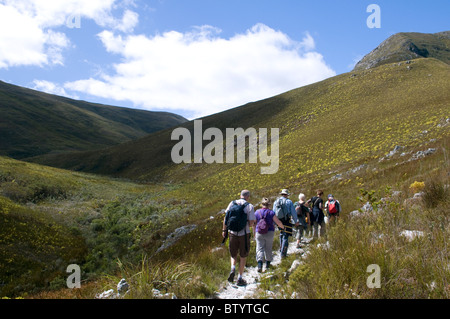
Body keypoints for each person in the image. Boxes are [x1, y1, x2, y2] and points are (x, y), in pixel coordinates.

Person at [222, 190, 256, 286]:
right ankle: (240, 278)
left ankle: (233, 268)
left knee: (233, 254)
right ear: (248, 197)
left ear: (240, 195)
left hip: (232, 233)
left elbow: (226, 218)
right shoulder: (249, 206)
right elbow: (250, 223)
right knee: (243, 255)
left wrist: (224, 230)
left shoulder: (232, 203)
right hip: (244, 234)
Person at [254, 198, 286, 272]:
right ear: (269, 205)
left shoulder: (257, 212)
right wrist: (283, 227)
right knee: (268, 248)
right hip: (269, 232)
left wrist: (254, 233)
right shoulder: (271, 213)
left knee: (259, 248)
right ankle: (268, 265)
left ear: (261, 204)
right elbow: (277, 222)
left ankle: (260, 265)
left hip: (259, 232)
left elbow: (254, 223)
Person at [273, 189, 299, 258]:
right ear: (287, 194)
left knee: (281, 234)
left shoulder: (276, 202)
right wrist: (296, 221)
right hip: (287, 220)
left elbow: (274, 212)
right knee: (286, 236)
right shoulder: (289, 202)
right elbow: (293, 212)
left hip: (279, 220)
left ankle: (281, 249)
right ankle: (283, 253)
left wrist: (274, 222)